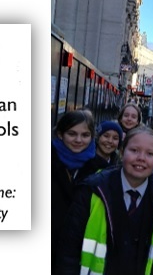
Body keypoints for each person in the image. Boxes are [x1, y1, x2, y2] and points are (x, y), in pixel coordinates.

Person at [58, 127, 153, 275]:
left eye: (150, 153)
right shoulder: (93, 189)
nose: (141, 158)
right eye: (134, 150)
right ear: (122, 152)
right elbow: (68, 249)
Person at [51, 110, 96, 271]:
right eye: (72, 134)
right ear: (61, 134)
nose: (78, 140)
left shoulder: (99, 169)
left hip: (77, 254)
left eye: (85, 135)